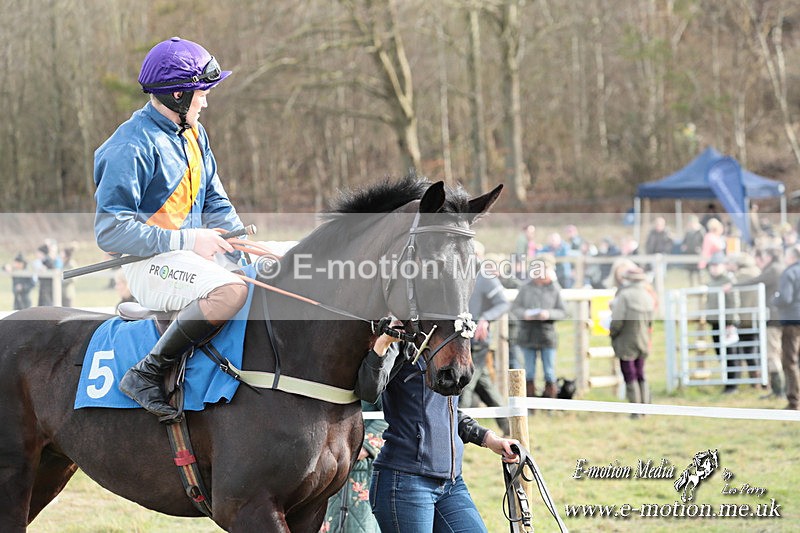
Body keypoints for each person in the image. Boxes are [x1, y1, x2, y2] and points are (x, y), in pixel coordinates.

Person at [93, 37, 248, 420]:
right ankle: (147, 372)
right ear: (178, 95)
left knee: (270, 273)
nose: (206, 101)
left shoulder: (194, 133)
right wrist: (189, 239)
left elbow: (216, 201)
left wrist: (240, 243)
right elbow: (110, 232)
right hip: (147, 264)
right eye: (201, 93)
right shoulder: (130, 147)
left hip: (187, 256)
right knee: (231, 290)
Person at [355, 327, 519, 532]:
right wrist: (382, 344)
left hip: (451, 483)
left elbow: (448, 412)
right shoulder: (401, 345)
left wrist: (488, 438)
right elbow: (368, 389)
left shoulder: (447, 350)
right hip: (404, 482)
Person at [459, 241, 511, 436]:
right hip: (459, 340)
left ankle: (457, 432)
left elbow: (503, 303)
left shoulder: (485, 277)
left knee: (465, 385)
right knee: (484, 385)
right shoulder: (456, 276)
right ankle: (507, 425)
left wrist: (485, 319)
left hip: (476, 343)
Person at [319, 400, 387, 533]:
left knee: (360, 523)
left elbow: (392, 416)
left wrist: (366, 446)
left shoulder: (378, 382)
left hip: (363, 467)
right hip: (329, 460)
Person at [511, 256, 567, 398]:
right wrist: (524, 314)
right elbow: (515, 308)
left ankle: (550, 402)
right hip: (527, 334)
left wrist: (548, 314)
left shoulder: (554, 289)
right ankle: (530, 403)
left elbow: (564, 311)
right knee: (529, 371)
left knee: (549, 371)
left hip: (547, 335)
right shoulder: (525, 287)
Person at [608, 258, 656, 415]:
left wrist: (612, 333)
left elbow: (617, 321)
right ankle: (646, 407)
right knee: (641, 372)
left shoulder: (624, 296)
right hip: (642, 339)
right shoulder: (647, 295)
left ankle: (635, 409)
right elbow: (650, 320)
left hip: (626, 340)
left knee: (629, 373)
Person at [704, 252, 740, 394]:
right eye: (712, 265)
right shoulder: (712, 281)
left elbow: (734, 301)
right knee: (720, 352)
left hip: (727, 322)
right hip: (715, 322)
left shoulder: (728, 280)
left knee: (730, 353)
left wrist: (730, 321)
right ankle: (728, 382)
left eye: (716, 265)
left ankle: (733, 385)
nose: (713, 268)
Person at [773, 244, 800, 410]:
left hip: (792, 321)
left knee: (790, 361)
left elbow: (785, 298)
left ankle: (794, 400)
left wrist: (774, 299)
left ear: (791, 257)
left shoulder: (789, 273)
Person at [680, 215, 705, 285]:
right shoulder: (688, 232)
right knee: (690, 273)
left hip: (698, 255)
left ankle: (700, 287)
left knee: (699, 272)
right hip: (689, 254)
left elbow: (704, 242)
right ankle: (691, 287)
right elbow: (684, 241)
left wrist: (700, 248)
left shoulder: (701, 231)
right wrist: (684, 246)